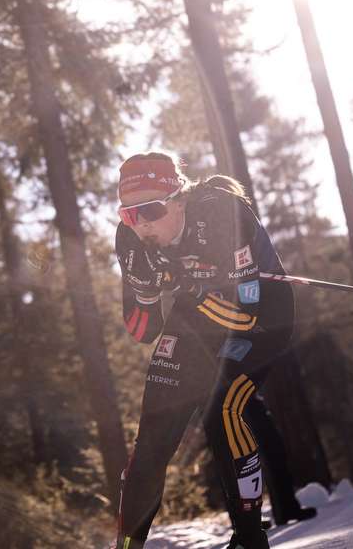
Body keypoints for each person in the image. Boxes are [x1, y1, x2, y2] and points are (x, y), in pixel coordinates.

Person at [113, 151, 302, 549]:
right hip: (196, 313)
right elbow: (143, 330)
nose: (141, 223)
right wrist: (145, 291)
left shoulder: (220, 213)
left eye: (150, 210)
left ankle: (250, 539)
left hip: (264, 315)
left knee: (221, 410)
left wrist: (191, 284)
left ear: (179, 200)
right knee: (153, 436)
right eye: (129, 214)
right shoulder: (130, 240)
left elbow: (247, 312)